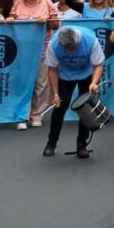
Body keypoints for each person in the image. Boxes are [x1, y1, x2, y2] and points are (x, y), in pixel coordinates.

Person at [43, 26, 104, 159]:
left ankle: (81, 145)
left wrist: (94, 82)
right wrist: (55, 94)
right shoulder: (54, 45)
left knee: (85, 108)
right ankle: (51, 143)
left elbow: (98, 64)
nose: (69, 51)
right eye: (66, 48)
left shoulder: (90, 40)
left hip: (86, 74)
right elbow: (52, 69)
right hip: (65, 75)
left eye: (71, 47)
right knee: (60, 106)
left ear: (77, 41)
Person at [8, 0, 59, 129]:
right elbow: (10, 22)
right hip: (22, 51)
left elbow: (56, 24)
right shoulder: (18, 4)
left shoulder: (47, 3)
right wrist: (9, 20)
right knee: (23, 84)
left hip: (42, 49)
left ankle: (37, 114)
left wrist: (48, 23)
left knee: (41, 83)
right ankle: (22, 115)